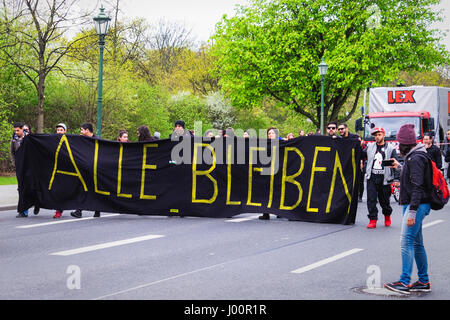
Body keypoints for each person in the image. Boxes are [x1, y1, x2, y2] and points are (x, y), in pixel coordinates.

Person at [384, 124, 432, 294]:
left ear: (406, 143)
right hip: (416, 204)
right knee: (417, 243)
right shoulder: (415, 156)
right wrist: (398, 167)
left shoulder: (416, 158)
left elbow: (418, 186)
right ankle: (423, 281)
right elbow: (413, 177)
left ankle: (404, 282)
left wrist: (412, 212)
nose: (398, 146)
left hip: (416, 205)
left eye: (399, 142)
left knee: (406, 242)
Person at [363, 127, 399, 228]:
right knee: (371, 200)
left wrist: (396, 179)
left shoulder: (391, 148)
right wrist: (358, 144)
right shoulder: (370, 146)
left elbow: (395, 163)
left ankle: (387, 215)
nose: (377, 137)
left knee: (384, 201)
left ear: (383, 135)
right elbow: (362, 154)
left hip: (385, 178)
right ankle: (372, 219)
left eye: (379, 135)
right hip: (372, 177)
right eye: (375, 135)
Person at [70, 123, 101, 219]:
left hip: (95, 171)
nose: (81, 132)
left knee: (92, 190)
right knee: (84, 189)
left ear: (87, 130)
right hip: (85, 170)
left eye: (82, 130)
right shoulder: (82, 140)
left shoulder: (98, 140)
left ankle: (95, 210)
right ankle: (80, 211)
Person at [259, 127, 280, 220]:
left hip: (278, 171)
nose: (270, 135)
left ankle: (281, 212)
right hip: (267, 171)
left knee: (277, 191)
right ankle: (266, 213)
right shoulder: (264, 145)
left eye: (272, 133)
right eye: (269, 133)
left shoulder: (282, 144)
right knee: (265, 192)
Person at [11, 122, 29, 218]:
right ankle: (23, 210)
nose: (16, 132)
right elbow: (12, 153)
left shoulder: (29, 138)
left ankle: (36, 204)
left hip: (29, 167)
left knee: (29, 187)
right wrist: (15, 164)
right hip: (20, 167)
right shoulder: (14, 140)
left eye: (18, 130)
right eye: (15, 131)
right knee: (21, 188)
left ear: (22, 129)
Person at [53, 123, 67, 218]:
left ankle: (60, 210)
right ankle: (58, 210)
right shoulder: (52, 140)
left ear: (65, 131)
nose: (59, 132)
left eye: (61, 130)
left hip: (67, 170)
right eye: (58, 130)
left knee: (63, 191)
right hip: (55, 169)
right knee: (55, 190)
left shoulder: (69, 140)